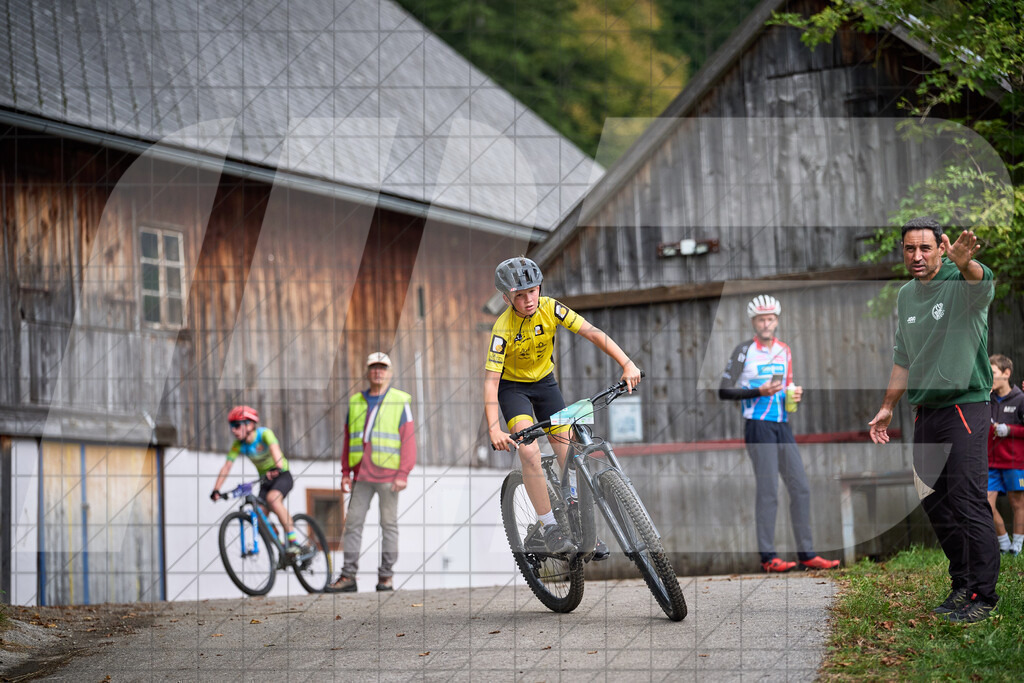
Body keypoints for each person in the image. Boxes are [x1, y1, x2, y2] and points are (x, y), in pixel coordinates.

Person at [868, 217, 999, 624]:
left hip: (964, 406)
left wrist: (966, 264)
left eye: (926, 248)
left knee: (967, 499)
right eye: (910, 249)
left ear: (941, 249)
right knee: (935, 502)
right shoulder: (906, 296)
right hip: (925, 412)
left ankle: (984, 595)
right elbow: (903, 360)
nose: (917, 256)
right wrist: (888, 407)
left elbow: (981, 283)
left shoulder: (960, 281)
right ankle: (962, 583)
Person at [485, 256, 641, 557]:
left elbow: (592, 332)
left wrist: (627, 363)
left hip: (545, 385)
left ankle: (578, 523)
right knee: (529, 451)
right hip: (513, 389)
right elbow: (491, 382)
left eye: (532, 291)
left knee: (567, 449)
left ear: (539, 288)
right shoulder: (502, 329)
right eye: (520, 295)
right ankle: (548, 527)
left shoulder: (551, 307)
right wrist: (494, 428)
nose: (528, 299)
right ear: (507, 298)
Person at [719, 295, 840, 573]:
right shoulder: (744, 350)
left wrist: (795, 393)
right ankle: (768, 557)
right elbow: (724, 390)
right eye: (761, 319)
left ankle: (807, 554)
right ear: (753, 322)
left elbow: (787, 387)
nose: (766, 323)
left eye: (770, 318)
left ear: (776, 320)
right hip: (758, 426)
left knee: (801, 487)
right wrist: (758, 391)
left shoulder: (785, 350)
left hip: (782, 424)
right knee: (769, 492)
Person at [326, 352, 416, 593]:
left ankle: (385, 577)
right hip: (361, 477)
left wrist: (403, 473)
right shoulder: (356, 401)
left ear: (389, 372)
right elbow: (348, 438)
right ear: (367, 372)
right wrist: (345, 472)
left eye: (382, 367)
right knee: (353, 524)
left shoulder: (399, 401)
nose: (378, 371)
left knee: (389, 525)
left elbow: (408, 439)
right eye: (373, 367)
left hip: (389, 476)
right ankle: (348, 577)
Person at [211, 405, 301, 554]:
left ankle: (294, 542)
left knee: (273, 499)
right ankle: (282, 549)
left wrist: (277, 467)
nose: (233, 430)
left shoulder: (264, 434)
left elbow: (275, 450)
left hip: (282, 475)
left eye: (237, 425)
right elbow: (226, 467)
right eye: (231, 426)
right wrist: (216, 489)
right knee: (258, 519)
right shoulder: (238, 445)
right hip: (265, 480)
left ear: (250, 425)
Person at [987, 354, 1024, 555]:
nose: (988, 376)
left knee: (1018, 503)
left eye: (992, 373)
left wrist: (1009, 430)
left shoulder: (1020, 399)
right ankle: (1003, 543)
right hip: (991, 463)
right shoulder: (987, 399)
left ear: (1007, 373)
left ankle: (1017, 546)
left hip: (1014, 463)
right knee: (985, 505)